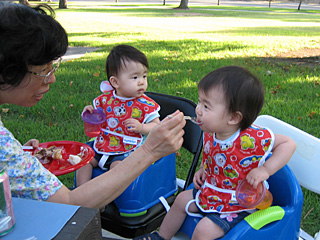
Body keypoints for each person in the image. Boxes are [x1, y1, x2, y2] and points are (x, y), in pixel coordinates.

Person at [0, 2, 185, 210]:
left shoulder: (146, 105)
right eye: (43, 70)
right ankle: (86, 188)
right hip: (103, 148)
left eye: (53, 68)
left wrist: (21, 153)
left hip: (123, 149)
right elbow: (68, 206)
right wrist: (151, 150)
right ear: (6, 70)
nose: (51, 79)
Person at [134, 66, 297, 240]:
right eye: (199, 102)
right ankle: (161, 237)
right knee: (181, 200)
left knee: (204, 230)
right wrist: (204, 169)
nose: (198, 110)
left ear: (233, 118)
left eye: (206, 106)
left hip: (239, 201)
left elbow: (289, 143)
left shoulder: (252, 138)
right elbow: (217, 156)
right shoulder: (211, 131)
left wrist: (265, 170)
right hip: (213, 189)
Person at [76, 45, 160, 186]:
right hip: (103, 142)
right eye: (134, 77)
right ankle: (81, 191)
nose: (141, 81)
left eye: (144, 76)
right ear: (115, 82)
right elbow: (98, 117)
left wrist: (142, 127)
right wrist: (90, 111)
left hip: (128, 147)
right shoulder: (106, 99)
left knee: (117, 169)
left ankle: (102, 198)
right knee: (84, 158)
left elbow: (156, 126)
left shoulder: (145, 105)